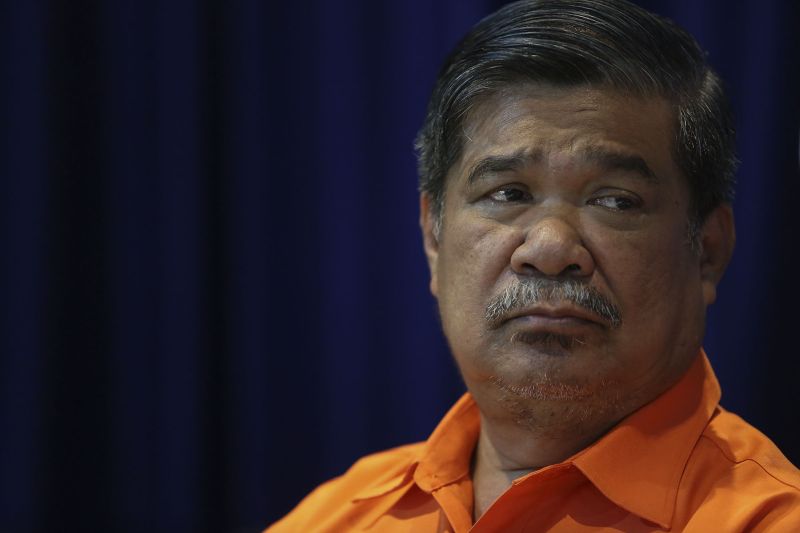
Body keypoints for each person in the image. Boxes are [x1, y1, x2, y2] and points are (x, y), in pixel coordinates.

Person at [267, 0, 800, 530]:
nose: (550, 248)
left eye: (615, 200)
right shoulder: (335, 517)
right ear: (433, 237)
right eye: (508, 193)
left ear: (707, 251)